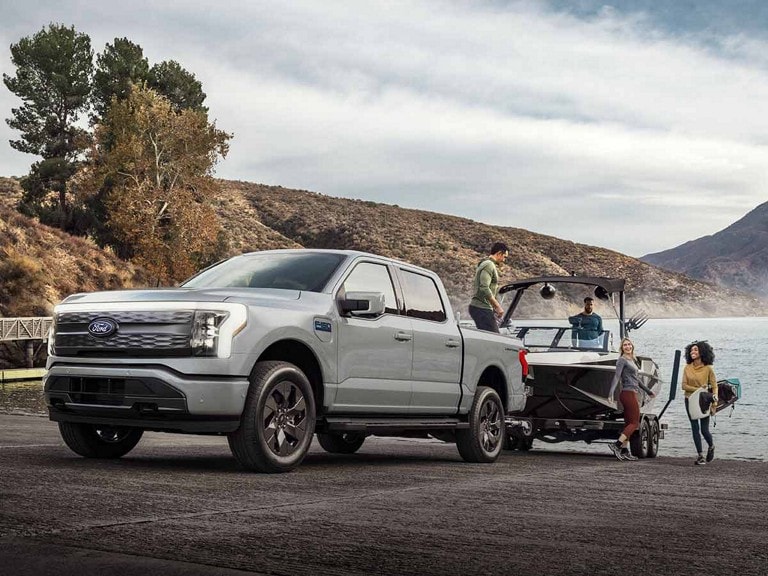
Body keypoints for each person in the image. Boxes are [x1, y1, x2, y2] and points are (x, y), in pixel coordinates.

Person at [606, 337, 656, 461]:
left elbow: (637, 380)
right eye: (625, 345)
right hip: (627, 394)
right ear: (622, 348)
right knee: (635, 423)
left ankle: (624, 450)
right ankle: (617, 445)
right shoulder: (622, 360)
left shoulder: (632, 359)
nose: (627, 347)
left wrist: (648, 391)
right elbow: (616, 377)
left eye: (629, 345)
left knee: (628, 424)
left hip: (632, 393)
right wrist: (611, 394)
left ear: (632, 346)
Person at [682, 340, 718, 465]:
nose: (693, 352)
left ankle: (711, 446)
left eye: (695, 350)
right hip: (689, 400)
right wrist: (699, 389)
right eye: (691, 350)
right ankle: (700, 455)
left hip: (704, 401)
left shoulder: (708, 368)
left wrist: (714, 405)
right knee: (694, 427)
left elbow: (714, 387)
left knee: (704, 429)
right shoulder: (687, 368)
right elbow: (684, 386)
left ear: (702, 352)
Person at [468, 242, 509, 333]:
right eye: (504, 257)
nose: (504, 260)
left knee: (490, 337)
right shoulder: (488, 265)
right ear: (499, 253)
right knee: (494, 338)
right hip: (481, 308)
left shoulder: (486, 264)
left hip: (482, 308)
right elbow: (484, 288)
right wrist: (497, 307)